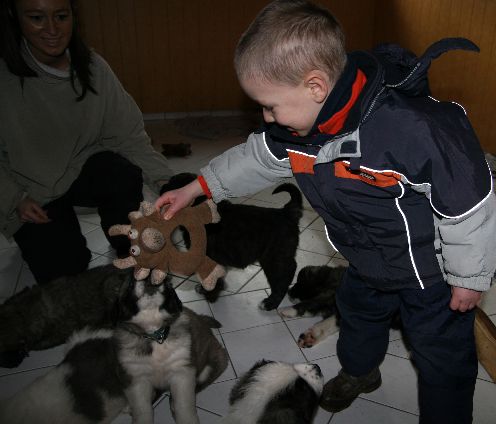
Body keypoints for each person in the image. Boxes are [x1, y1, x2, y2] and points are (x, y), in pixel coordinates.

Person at [155, 1, 496, 423]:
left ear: (316, 87)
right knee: (355, 314)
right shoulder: (295, 130)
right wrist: (196, 187)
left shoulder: (410, 130)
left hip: (429, 271)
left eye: (269, 105)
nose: (265, 117)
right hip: (367, 258)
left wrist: (468, 276)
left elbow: (468, 201)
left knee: (441, 354)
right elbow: (254, 159)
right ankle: (360, 372)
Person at [0, 0, 173, 284]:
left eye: (61, 16)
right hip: (32, 190)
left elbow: (129, 136)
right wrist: (14, 199)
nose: (52, 29)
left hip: (82, 168)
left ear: (73, 15)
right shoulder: (4, 76)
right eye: (36, 18)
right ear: (15, 18)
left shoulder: (93, 67)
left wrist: (167, 182)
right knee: (67, 273)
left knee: (121, 172)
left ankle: (127, 245)